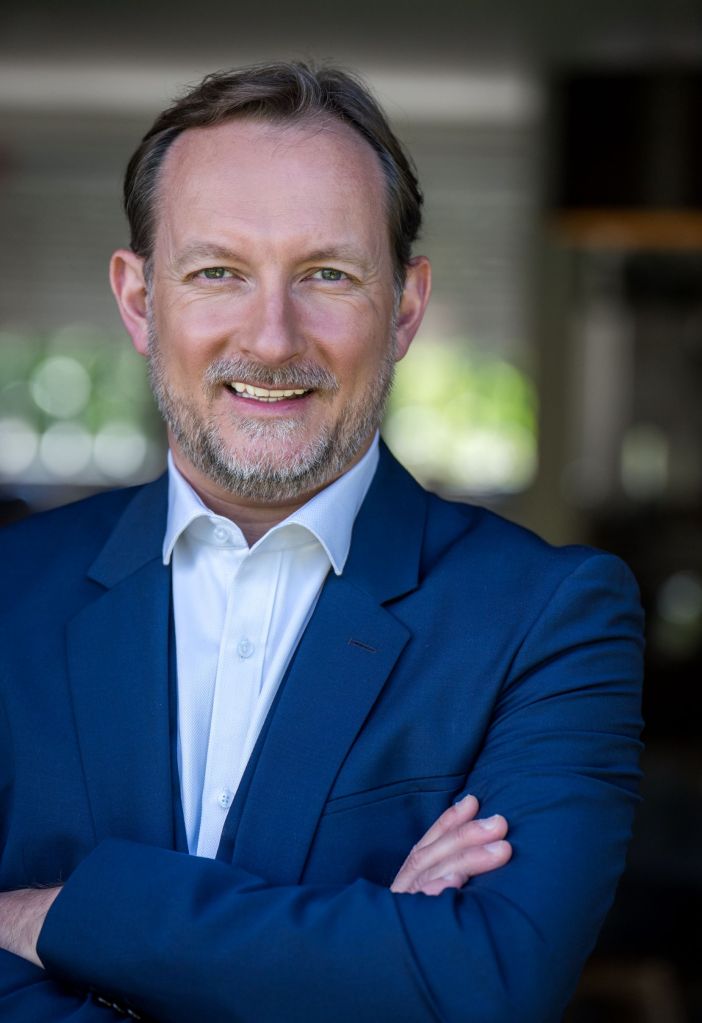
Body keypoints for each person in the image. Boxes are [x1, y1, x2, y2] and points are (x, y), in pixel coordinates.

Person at [0, 62, 643, 1022]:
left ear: (406, 307)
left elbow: (485, 986)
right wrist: (367, 949)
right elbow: (420, 984)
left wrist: (53, 915)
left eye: (328, 274)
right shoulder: (9, 593)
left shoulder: (549, 617)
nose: (271, 339)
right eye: (217, 272)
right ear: (138, 300)